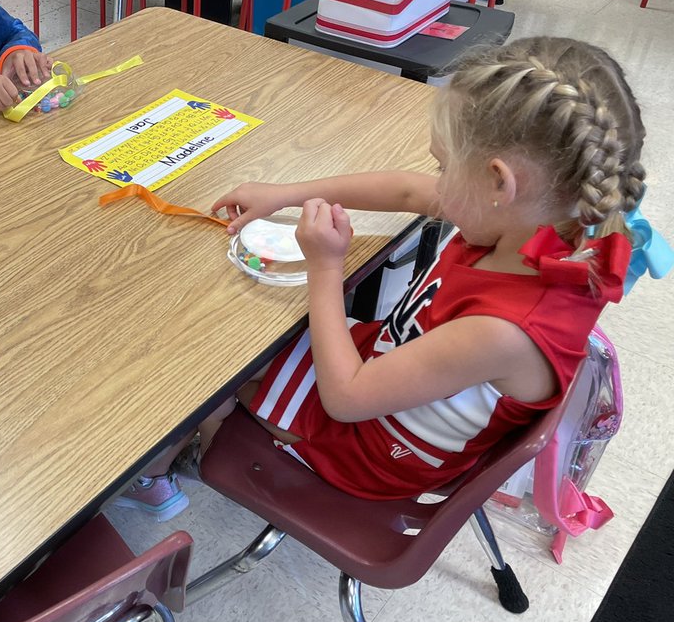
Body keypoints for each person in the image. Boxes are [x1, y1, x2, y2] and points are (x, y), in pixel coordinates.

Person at [116, 37, 647, 521]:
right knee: (238, 327)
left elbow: (344, 398)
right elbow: (408, 193)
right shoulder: (537, 220)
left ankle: (155, 470)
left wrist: (327, 266)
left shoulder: (503, 330)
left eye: (443, 166)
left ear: (498, 183)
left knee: (198, 363)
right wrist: (285, 193)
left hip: (369, 448)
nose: (436, 180)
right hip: (388, 372)